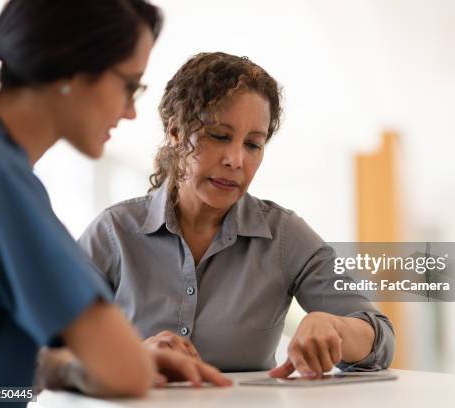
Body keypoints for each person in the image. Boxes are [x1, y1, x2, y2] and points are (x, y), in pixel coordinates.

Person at [0, 0, 230, 404]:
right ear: (70, 69)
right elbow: (125, 373)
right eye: (129, 86)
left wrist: (70, 368)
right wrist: (126, 360)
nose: (131, 111)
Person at [79, 52, 395, 378]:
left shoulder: (284, 236)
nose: (235, 159)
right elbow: (48, 350)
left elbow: (380, 336)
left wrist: (336, 327)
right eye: (219, 136)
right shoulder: (113, 232)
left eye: (253, 145)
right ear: (175, 132)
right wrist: (130, 356)